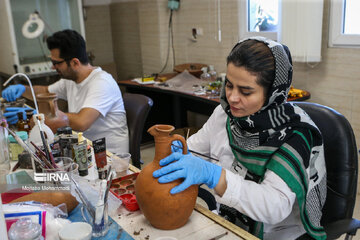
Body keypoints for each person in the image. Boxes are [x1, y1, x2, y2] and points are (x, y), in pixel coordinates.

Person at [153, 37, 327, 240]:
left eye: (245, 91)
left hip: (275, 233)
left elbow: (274, 207)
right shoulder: (224, 114)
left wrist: (214, 175)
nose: (232, 98)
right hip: (226, 219)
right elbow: (195, 149)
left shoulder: (295, 135)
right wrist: (180, 153)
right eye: (229, 85)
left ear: (273, 92)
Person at [2, 29, 129, 154]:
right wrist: (23, 89)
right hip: (83, 149)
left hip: (109, 156)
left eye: (56, 62)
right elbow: (45, 92)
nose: (53, 67)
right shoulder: (70, 79)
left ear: (74, 62)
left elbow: (81, 122)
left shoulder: (102, 82)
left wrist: (40, 116)